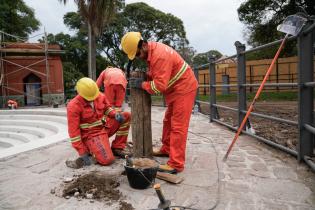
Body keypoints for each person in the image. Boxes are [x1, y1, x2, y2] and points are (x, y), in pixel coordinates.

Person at [120, 32, 198, 173]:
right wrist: (146, 76)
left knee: (178, 127)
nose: (138, 58)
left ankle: (176, 164)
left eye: (137, 54)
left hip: (184, 89)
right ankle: (167, 149)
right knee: (167, 121)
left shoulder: (159, 56)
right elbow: (160, 73)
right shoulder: (152, 52)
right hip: (176, 89)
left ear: (143, 45)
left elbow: (159, 86)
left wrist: (142, 84)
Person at [66, 77, 131, 169]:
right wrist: (82, 152)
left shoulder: (98, 95)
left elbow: (107, 108)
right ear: (79, 93)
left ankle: (117, 147)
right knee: (107, 160)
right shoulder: (73, 106)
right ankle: (90, 151)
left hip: (103, 128)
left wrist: (115, 114)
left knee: (126, 116)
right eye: (89, 98)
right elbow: (74, 133)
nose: (93, 99)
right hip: (91, 135)